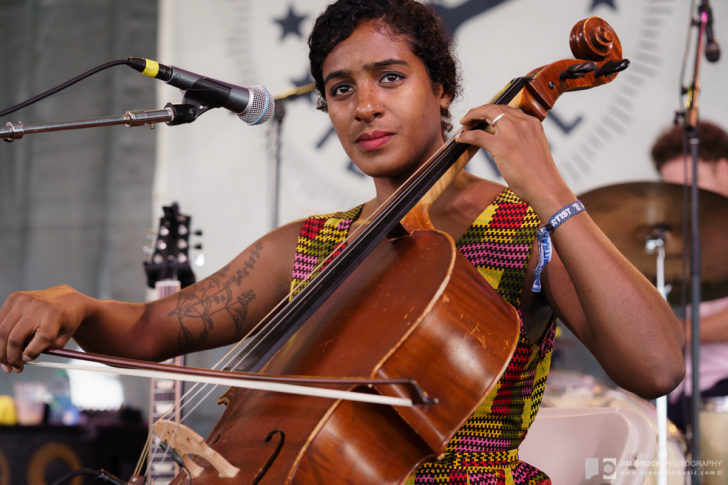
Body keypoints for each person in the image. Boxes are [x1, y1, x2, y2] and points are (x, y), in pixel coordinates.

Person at [0, 1, 684, 483]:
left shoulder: (517, 229)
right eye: (340, 88)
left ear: (441, 89)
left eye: (390, 76)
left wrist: (550, 190)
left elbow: (656, 366)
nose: (364, 106)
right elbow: (152, 330)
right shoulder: (310, 246)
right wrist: (75, 305)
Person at [650, 120, 728, 434]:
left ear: (724, 169)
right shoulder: (693, 238)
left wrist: (677, 332)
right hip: (684, 394)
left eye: (690, 183)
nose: (684, 198)